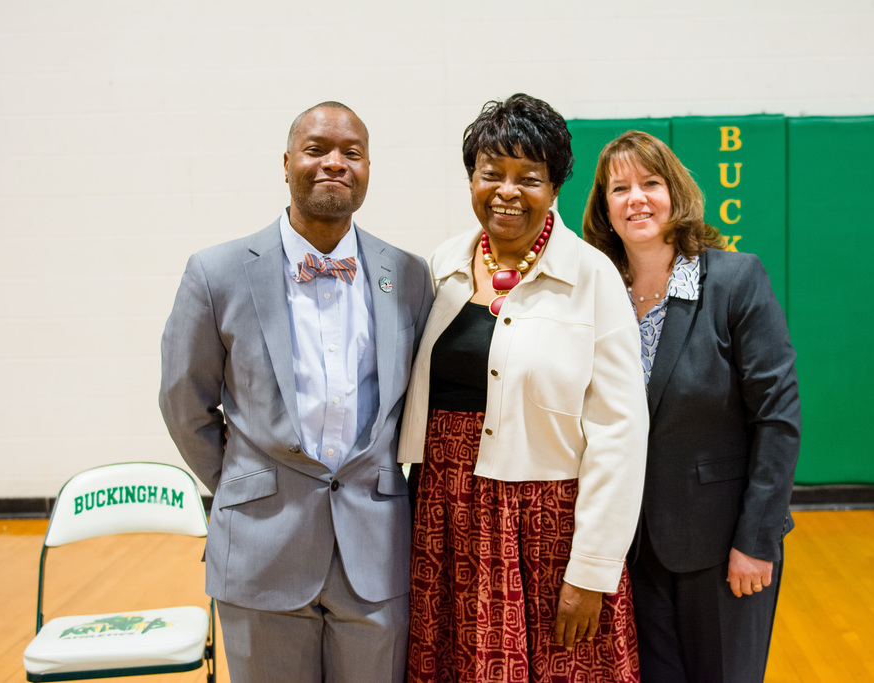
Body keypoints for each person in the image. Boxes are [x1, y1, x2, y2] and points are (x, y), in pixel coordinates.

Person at [159, 101, 433, 683]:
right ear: (286, 163)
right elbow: (185, 405)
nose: (335, 163)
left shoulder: (408, 274)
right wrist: (246, 484)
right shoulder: (217, 273)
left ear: (367, 170)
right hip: (262, 545)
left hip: (376, 552)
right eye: (317, 150)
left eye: (351, 153)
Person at [397, 94, 648, 683]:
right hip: (445, 515)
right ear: (471, 180)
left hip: (546, 526)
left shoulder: (592, 276)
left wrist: (592, 569)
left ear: (555, 186)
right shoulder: (443, 265)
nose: (507, 190)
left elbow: (619, 432)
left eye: (528, 178)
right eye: (492, 174)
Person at [583, 130, 801, 683]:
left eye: (650, 183)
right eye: (620, 188)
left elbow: (778, 417)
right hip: (632, 552)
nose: (636, 198)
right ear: (604, 208)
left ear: (674, 193)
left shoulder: (733, 279)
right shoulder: (598, 295)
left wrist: (757, 541)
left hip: (724, 548)